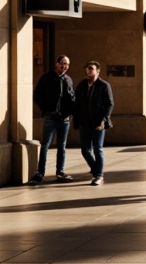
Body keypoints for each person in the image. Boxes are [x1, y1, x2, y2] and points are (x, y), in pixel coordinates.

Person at [31, 55, 76, 184]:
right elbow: (37, 95)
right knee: (45, 146)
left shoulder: (69, 80)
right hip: (50, 117)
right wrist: (46, 110)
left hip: (64, 119)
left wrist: (68, 113)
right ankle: (40, 173)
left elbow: (72, 99)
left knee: (62, 146)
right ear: (56, 64)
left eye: (67, 64)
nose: (64, 66)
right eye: (62, 63)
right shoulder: (46, 78)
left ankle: (60, 172)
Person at [72, 60, 113, 186]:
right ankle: (96, 170)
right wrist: (76, 121)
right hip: (84, 124)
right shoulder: (82, 85)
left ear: (98, 70)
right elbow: (77, 104)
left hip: (98, 124)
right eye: (87, 69)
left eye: (91, 68)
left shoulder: (104, 85)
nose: (88, 70)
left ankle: (99, 176)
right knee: (85, 150)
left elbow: (109, 104)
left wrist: (103, 121)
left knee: (98, 149)